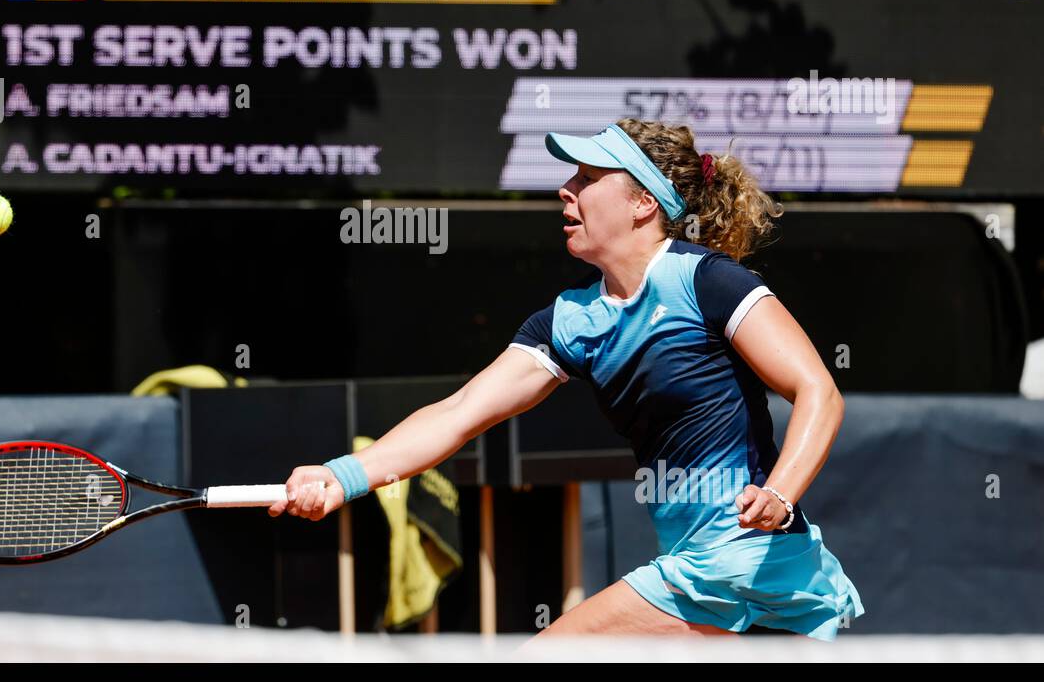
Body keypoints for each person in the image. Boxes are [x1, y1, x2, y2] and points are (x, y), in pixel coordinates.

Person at [269, 119, 864, 639]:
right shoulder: (571, 320)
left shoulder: (708, 283)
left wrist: (780, 493)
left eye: (587, 178)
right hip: (709, 573)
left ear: (643, 204)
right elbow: (458, 414)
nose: (566, 189)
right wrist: (341, 476)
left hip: (742, 560)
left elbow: (818, 390)